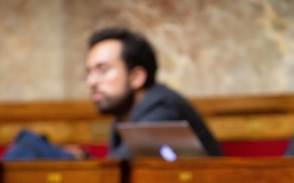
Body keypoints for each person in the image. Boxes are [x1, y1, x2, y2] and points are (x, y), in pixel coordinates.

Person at [86, 27, 224, 159]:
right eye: (89, 72)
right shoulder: (122, 115)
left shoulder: (163, 107)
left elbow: (117, 167)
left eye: (102, 70)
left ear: (136, 77)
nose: (91, 81)